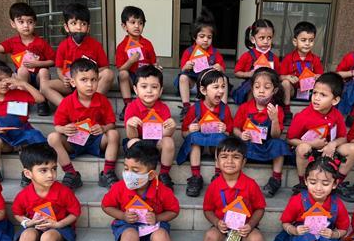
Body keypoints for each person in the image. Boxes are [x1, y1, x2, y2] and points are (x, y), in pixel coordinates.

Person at [286, 72, 354, 202]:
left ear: (335, 100)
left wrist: (332, 144)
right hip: (309, 154)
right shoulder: (303, 116)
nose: (316, 98)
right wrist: (312, 144)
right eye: (315, 93)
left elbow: (343, 138)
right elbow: (290, 139)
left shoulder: (337, 115)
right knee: (303, 148)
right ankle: (304, 184)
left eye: (323, 95)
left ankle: (337, 183)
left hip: (329, 153)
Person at [47, 58, 120, 190]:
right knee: (53, 137)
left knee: (113, 134)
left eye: (94, 80)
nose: (89, 84)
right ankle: (71, 173)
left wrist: (103, 128)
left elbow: (112, 124)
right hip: (74, 141)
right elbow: (57, 126)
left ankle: (107, 172)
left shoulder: (102, 100)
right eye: (84, 80)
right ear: (73, 82)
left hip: (96, 140)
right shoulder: (67, 102)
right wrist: (64, 129)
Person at [0, 59, 46, 187]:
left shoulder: (17, 94)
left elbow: (40, 99)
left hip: (23, 134)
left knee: (32, 142)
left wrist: (24, 83)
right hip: (4, 139)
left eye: (7, 79)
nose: (4, 83)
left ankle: (28, 172)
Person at [0, 2, 55, 116]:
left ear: (35, 23)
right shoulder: (13, 42)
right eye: (21, 22)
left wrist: (37, 64)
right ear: (13, 24)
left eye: (30, 22)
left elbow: (53, 61)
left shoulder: (41, 43)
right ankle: (22, 101)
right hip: (23, 78)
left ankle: (43, 102)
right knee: (22, 70)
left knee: (44, 71)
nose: (26, 26)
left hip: (39, 78)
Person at [233, 67, 291, 197]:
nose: (261, 91)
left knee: (279, 144)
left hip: (267, 146)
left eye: (267, 87)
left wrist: (274, 119)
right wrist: (241, 134)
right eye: (257, 87)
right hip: (250, 144)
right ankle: (237, 176)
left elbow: (276, 135)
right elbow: (235, 128)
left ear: (274, 90)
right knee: (238, 145)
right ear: (252, 88)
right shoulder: (245, 107)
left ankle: (276, 179)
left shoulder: (276, 110)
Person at [41, 3, 114, 106]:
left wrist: (89, 76)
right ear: (66, 27)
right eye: (74, 23)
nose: (79, 27)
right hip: (71, 84)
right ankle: (68, 109)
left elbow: (104, 67)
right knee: (44, 86)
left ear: (88, 28)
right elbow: (59, 68)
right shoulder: (63, 46)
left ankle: (90, 106)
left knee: (108, 73)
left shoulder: (96, 45)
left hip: (89, 84)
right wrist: (63, 78)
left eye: (83, 24)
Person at [177, 68, 234, 197]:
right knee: (194, 137)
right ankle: (196, 176)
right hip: (199, 146)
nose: (221, 91)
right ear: (203, 90)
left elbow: (229, 134)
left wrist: (224, 130)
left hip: (215, 147)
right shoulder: (195, 108)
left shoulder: (224, 109)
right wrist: (190, 130)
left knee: (221, 138)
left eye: (223, 87)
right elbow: (184, 134)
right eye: (216, 87)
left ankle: (218, 175)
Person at [124, 65, 176, 189]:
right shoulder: (131, 107)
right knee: (132, 142)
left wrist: (171, 127)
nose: (149, 91)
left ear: (161, 90)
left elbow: (166, 134)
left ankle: (164, 174)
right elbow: (131, 136)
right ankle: (136, 174)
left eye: (154, 87)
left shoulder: (163, 108)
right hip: (139, 142)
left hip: (156, 142)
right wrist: (130, 125)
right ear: (135, 89)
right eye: (144, 86)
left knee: (169, 141)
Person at [175, 8, 227, 121]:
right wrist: (186, 66)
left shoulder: (215, 53)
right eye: (202, 36)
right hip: (194, 84)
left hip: (209, 86)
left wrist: (220, 68)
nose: (205, 40)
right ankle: (186, 106)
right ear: (195, 37)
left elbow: (223, 70)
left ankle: (223, 108)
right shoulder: (189, 52)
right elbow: (182, 69)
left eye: (209, 37)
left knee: (223, 78)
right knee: (183, 77)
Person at [115, 6, 157, 121]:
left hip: (145, 76)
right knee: (123, 74)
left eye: (140, 23)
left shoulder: (147, 44)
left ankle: (149, 105)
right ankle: (128, 104)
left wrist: (156, 67)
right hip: (131, 77)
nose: (137, 26)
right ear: (124, 26)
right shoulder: (122, 46)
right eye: (133, 22)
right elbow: (121, 69)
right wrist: (131, 61)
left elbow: (153, 62)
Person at [279, 21, 324, 124]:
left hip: (309, 91)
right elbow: (279, 77)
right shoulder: (288, 58)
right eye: (303, 40)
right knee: (285, 83)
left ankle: (315, 112)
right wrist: (287, 77)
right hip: (293, 91)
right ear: (295, 42)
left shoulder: (315, 59)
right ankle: (287, 111)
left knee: (323, 85)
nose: (307, 43)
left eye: (311, 40)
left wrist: (316, 76)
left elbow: (321, 76)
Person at [232, 19, 280, 105]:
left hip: (269, 88)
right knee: (251, 89)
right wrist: (248, 74)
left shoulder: (274, 58)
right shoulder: (247, 56)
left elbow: (278, 75)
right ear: (253, 39)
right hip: (252, 85)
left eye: (269, 38)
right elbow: (236, 72)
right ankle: (250, 110)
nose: (266, 41)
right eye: (262, 38)